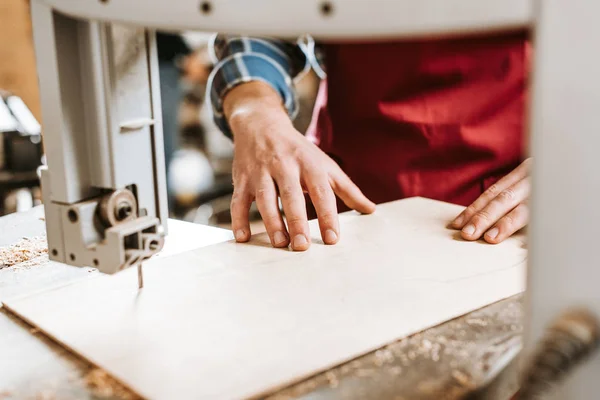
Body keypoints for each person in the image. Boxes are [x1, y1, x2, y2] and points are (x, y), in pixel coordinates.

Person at [207, 31, 531, 251]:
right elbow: (258, 26)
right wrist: (255, 112)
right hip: (342, 203)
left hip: (504, 211)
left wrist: (575, 157)